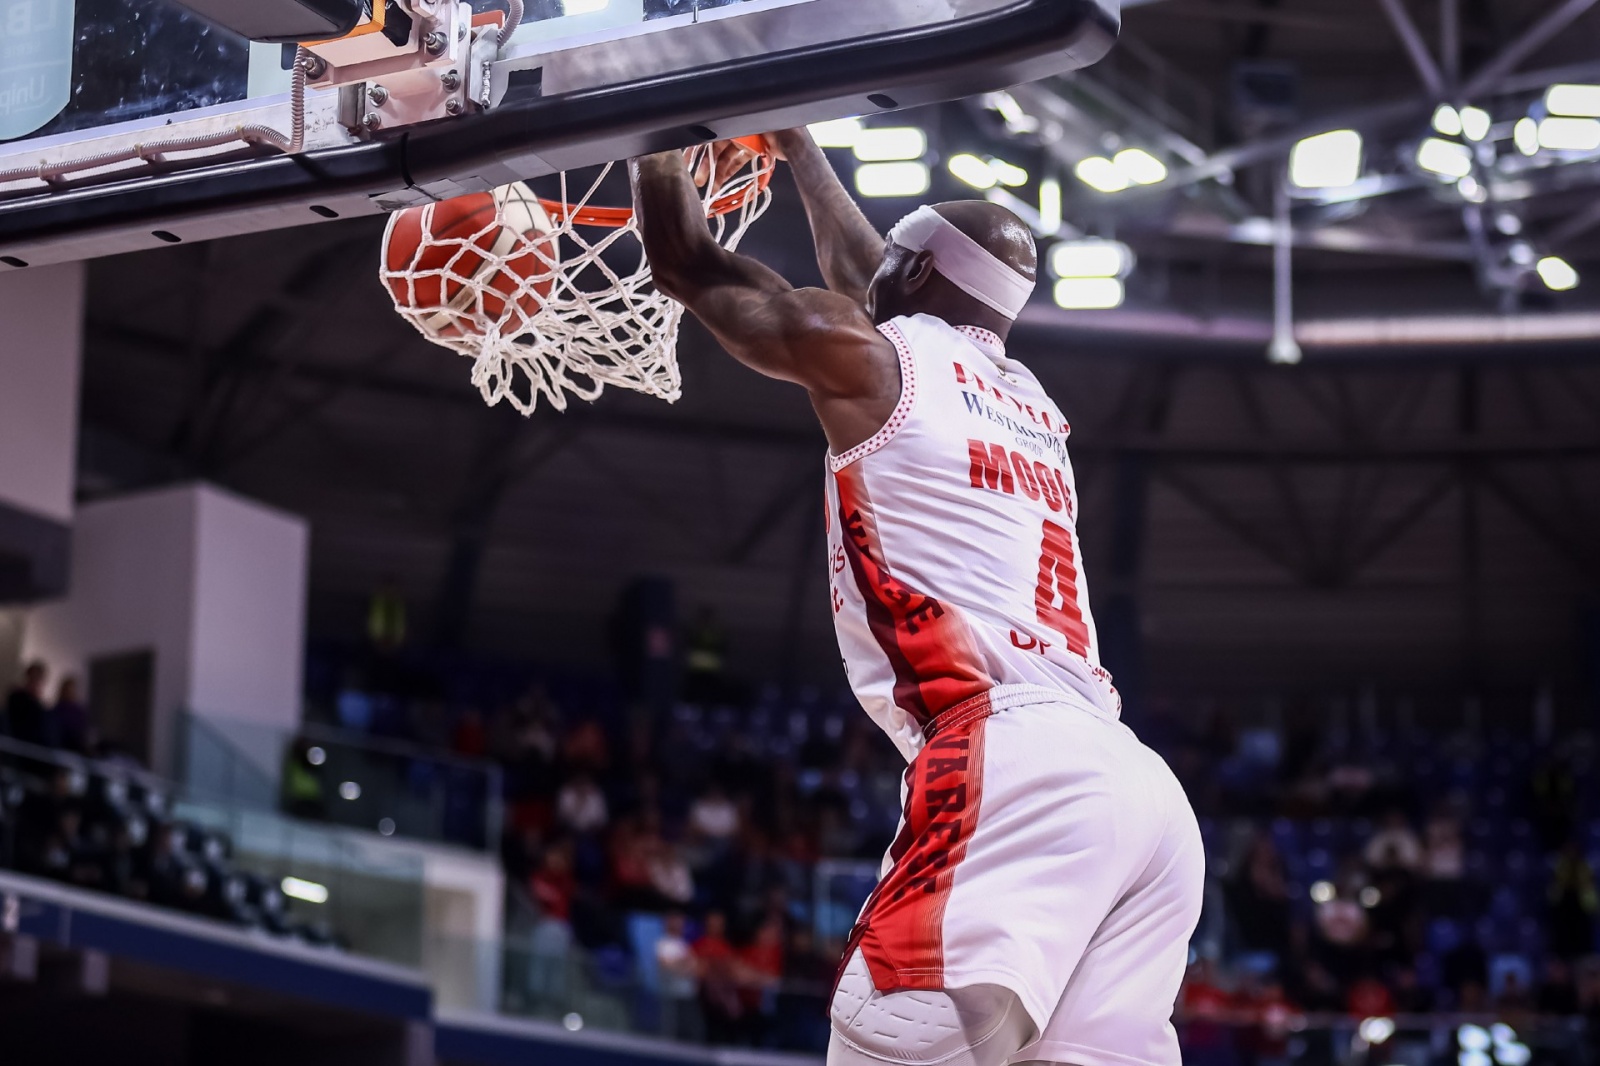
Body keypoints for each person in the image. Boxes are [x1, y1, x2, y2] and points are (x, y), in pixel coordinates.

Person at [632, 130, 1203, 1066]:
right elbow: (884, 275)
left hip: (1013, 755)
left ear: (913, 272)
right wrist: (795, 143)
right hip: (1139, 795)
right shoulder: (1027, 395)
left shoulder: (869, 358)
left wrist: (664, 122)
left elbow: (689, 263)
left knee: (890, 1043)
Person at [4, 661, 54, 748]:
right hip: (17, 746)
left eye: (38, 678)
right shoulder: (17, 697)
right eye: (33, 677)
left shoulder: (42, 706)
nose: (35, 681)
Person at [52, 676, 90, 755]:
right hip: (62, 747)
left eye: (72, 689)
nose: (70, 692)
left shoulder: (79, 711)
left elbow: (83, 729)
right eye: (68, 689)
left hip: (77, 748)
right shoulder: (57, 709)